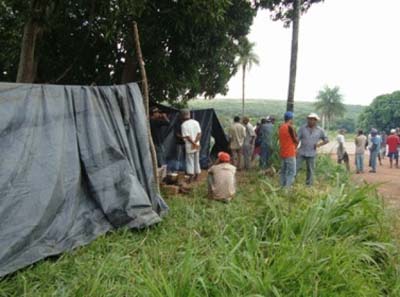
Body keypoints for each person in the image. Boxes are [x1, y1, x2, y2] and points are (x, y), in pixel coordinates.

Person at [297, 113, 329, 186]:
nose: (311, 121)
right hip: (301, 151)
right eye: (309, 119)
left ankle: (309, 186)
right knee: (296, 168)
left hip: (312, 153)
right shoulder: (302, 128)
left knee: (310, 170)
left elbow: (326, 140)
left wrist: (319, 145)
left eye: (313, 120)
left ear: (316, 121)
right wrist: (295, 149)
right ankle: (291, 183)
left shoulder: (320, 130)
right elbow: (297, 139)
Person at [181, 109, 202, 182]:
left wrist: (193, 143)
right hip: (197, 145)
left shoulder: (184, 125)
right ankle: (197, 176)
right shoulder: (196, 122)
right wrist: (196, 143)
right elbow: (199, 134)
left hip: (190, 145)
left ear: (182, 116)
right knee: (197, 160)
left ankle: (190, 177)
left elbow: (187, 137)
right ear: (189, 114)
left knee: (190, 160)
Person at [278, 111, 298, 188]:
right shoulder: (290, 127)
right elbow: (295, 140)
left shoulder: (281, 127)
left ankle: (282, 186)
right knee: (291, 172)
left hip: (283, 152)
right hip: (290, 152)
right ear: (290, 119)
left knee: (283, 171)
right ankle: (287, 189)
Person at [150, 107, 170, 180]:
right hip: (157, 143)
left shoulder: (150, 121)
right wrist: (164, 117)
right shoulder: (155, 121)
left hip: (156, 143)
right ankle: (162, 177)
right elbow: (168, 123)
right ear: (153, 113)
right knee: (161, 160)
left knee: (159, 159)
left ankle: (160, 176)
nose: (159, 114)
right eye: (157, 112)